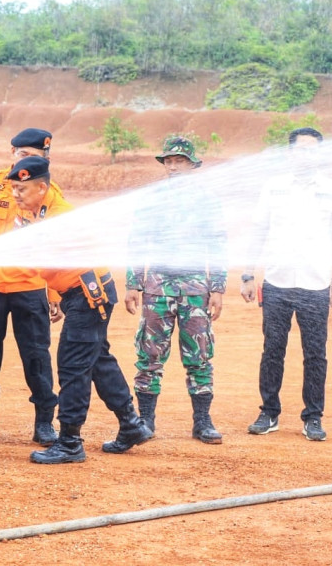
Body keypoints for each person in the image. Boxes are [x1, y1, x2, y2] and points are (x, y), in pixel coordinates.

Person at [0, 156, 151, 464]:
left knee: (73, 366)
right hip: (81, 293)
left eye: (21, 189)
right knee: (98, 360)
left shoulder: (57, 217)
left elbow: (29, 264)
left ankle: (70, 442)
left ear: (41, 187)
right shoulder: (39, 212)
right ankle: (131, 425)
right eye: (12, 188)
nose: (14, 195)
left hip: (87, 297)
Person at [240, 127, 332, 442]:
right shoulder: (273, 187)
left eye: (313, 149)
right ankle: (269, 412)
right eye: (301, 149)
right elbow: (258, 231)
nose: (307, 155)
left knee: (315, 354)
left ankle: (313, 417)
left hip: (316, 285)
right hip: (277, 283)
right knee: (272, 350)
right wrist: (248, 273)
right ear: (290, 153)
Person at [125, 136, 227, 444]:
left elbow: (217, 243)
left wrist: (218, 287)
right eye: (168, 161)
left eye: (179, 161)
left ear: (192, 165)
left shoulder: (207, 200)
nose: (173, 166)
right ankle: (145, 420)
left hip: (195, 287)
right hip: (156, 287)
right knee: (149, 353)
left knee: (199, 353)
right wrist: (133, 282)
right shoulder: (151, 199)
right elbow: (137, 240)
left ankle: (202, 421)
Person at [0, 128, 59, 446]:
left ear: (45, 158)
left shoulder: (49, 193)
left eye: (34, 154)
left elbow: (56, 248)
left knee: (37, 356)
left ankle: (44, 423)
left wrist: (55, 292)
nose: (26, 158)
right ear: (12, 153)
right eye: (21, 153)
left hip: (30, 287)